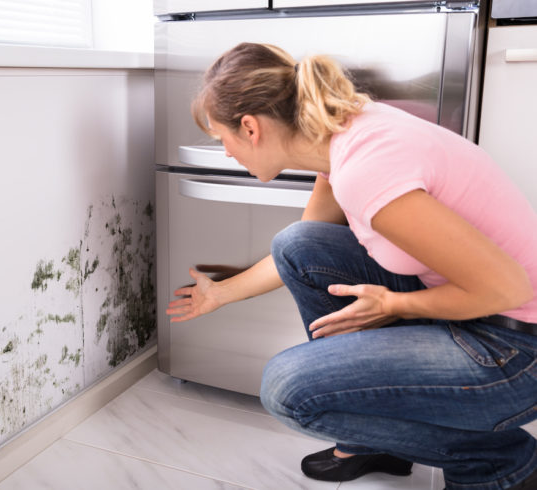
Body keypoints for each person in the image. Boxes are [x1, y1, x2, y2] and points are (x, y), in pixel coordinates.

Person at [166, 42, 537, 490]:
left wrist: (397, 304)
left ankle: (497, 461)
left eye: (221, 138)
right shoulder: (343, 136)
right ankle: (375, 440)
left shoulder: (365, 169)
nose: (226, 153)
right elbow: (299, 254)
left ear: (249, 127)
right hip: (481, 312)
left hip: (514, 351)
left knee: (288, 390)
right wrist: (222, 292)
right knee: (298, 245)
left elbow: (508, 289)